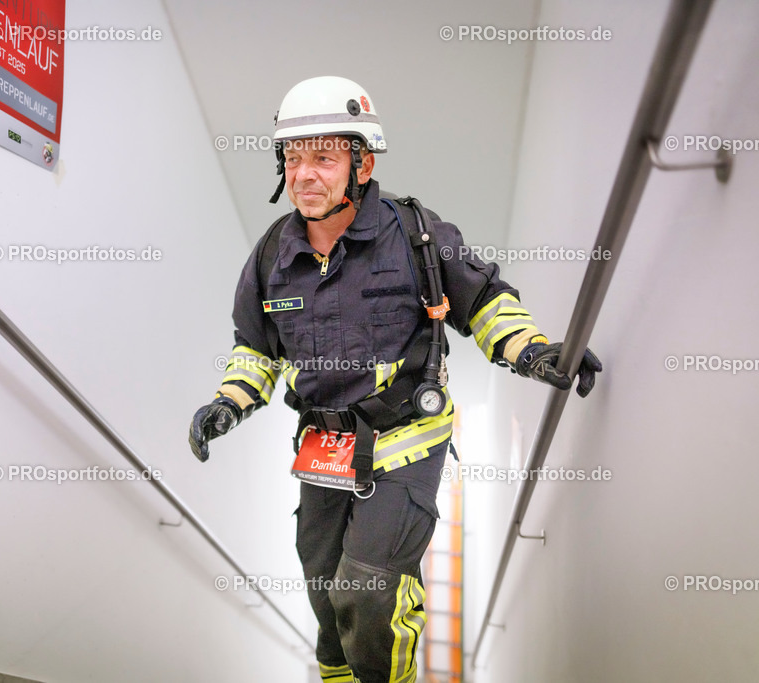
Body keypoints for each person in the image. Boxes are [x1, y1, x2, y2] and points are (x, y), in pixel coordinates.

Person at [188, 76, 601, 683]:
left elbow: (482, 301)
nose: (304, 174)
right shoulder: (271, 253)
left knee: (371, 593)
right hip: (323, 452)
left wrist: (534, 352)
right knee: (327, 597)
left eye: (324, 157)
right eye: (293, 157)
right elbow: (255, 350)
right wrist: (226, 403)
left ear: (363, 161)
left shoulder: (416, 234)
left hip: (405, 441)